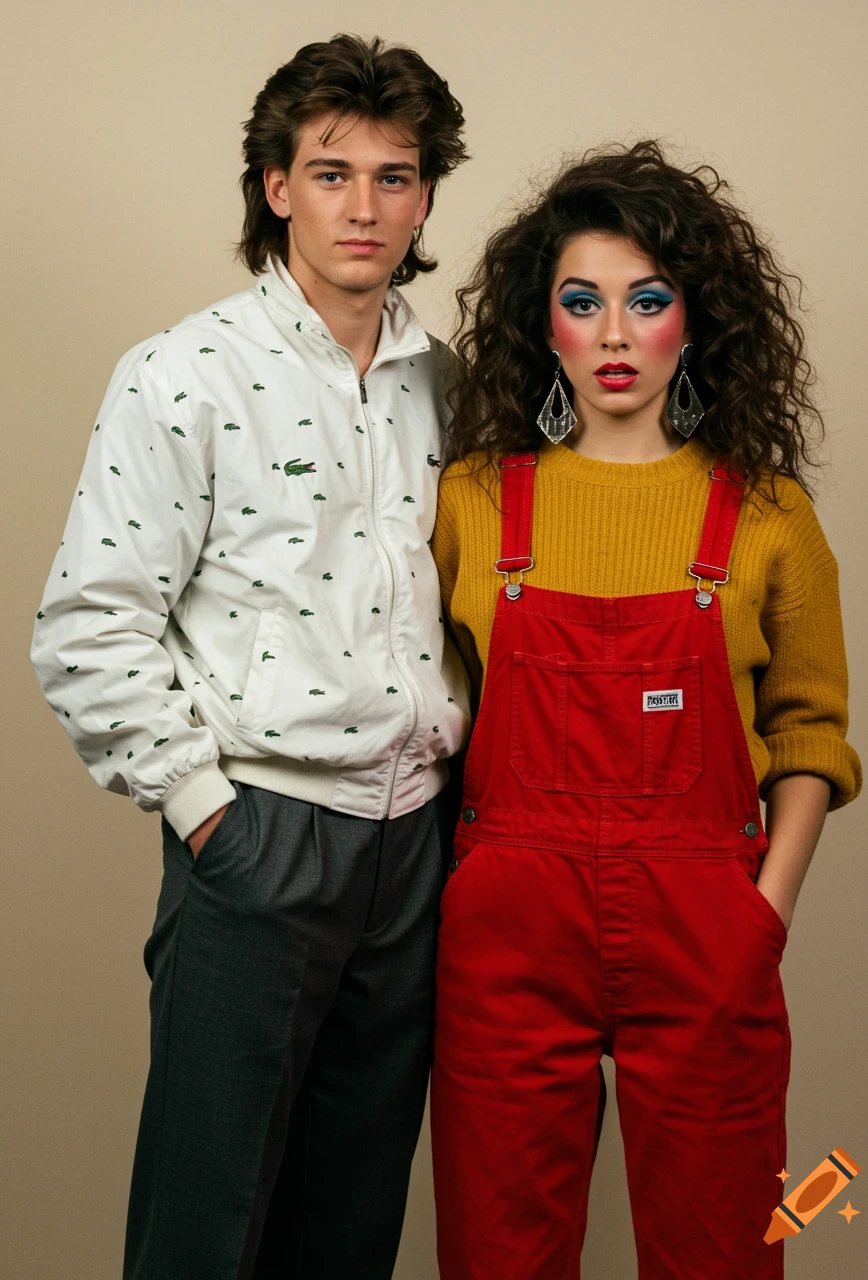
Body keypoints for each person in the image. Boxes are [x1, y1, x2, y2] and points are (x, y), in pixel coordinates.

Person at [30, 33, 470, 1280]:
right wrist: (204, 811)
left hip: (419, 849)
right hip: (260, 834)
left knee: (350, 1225)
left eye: (395, 175)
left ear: (427, 194)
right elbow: (88, 622)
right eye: (332, 172)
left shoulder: (450, 384)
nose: (364, 205)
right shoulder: (185, 373)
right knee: (205, 1227)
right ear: (276, 185)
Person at [429, 141, 862, 1279]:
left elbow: (810, 730)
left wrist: (758, 917)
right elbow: (417, 709)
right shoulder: (473, 500)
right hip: (509, 932)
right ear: (545, 322)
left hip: (703, 930)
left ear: (692, 319)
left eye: (645, 299)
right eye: (582, 302)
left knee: (723, 1248)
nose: (613, 334)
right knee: (496, 1252)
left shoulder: (767, 516)